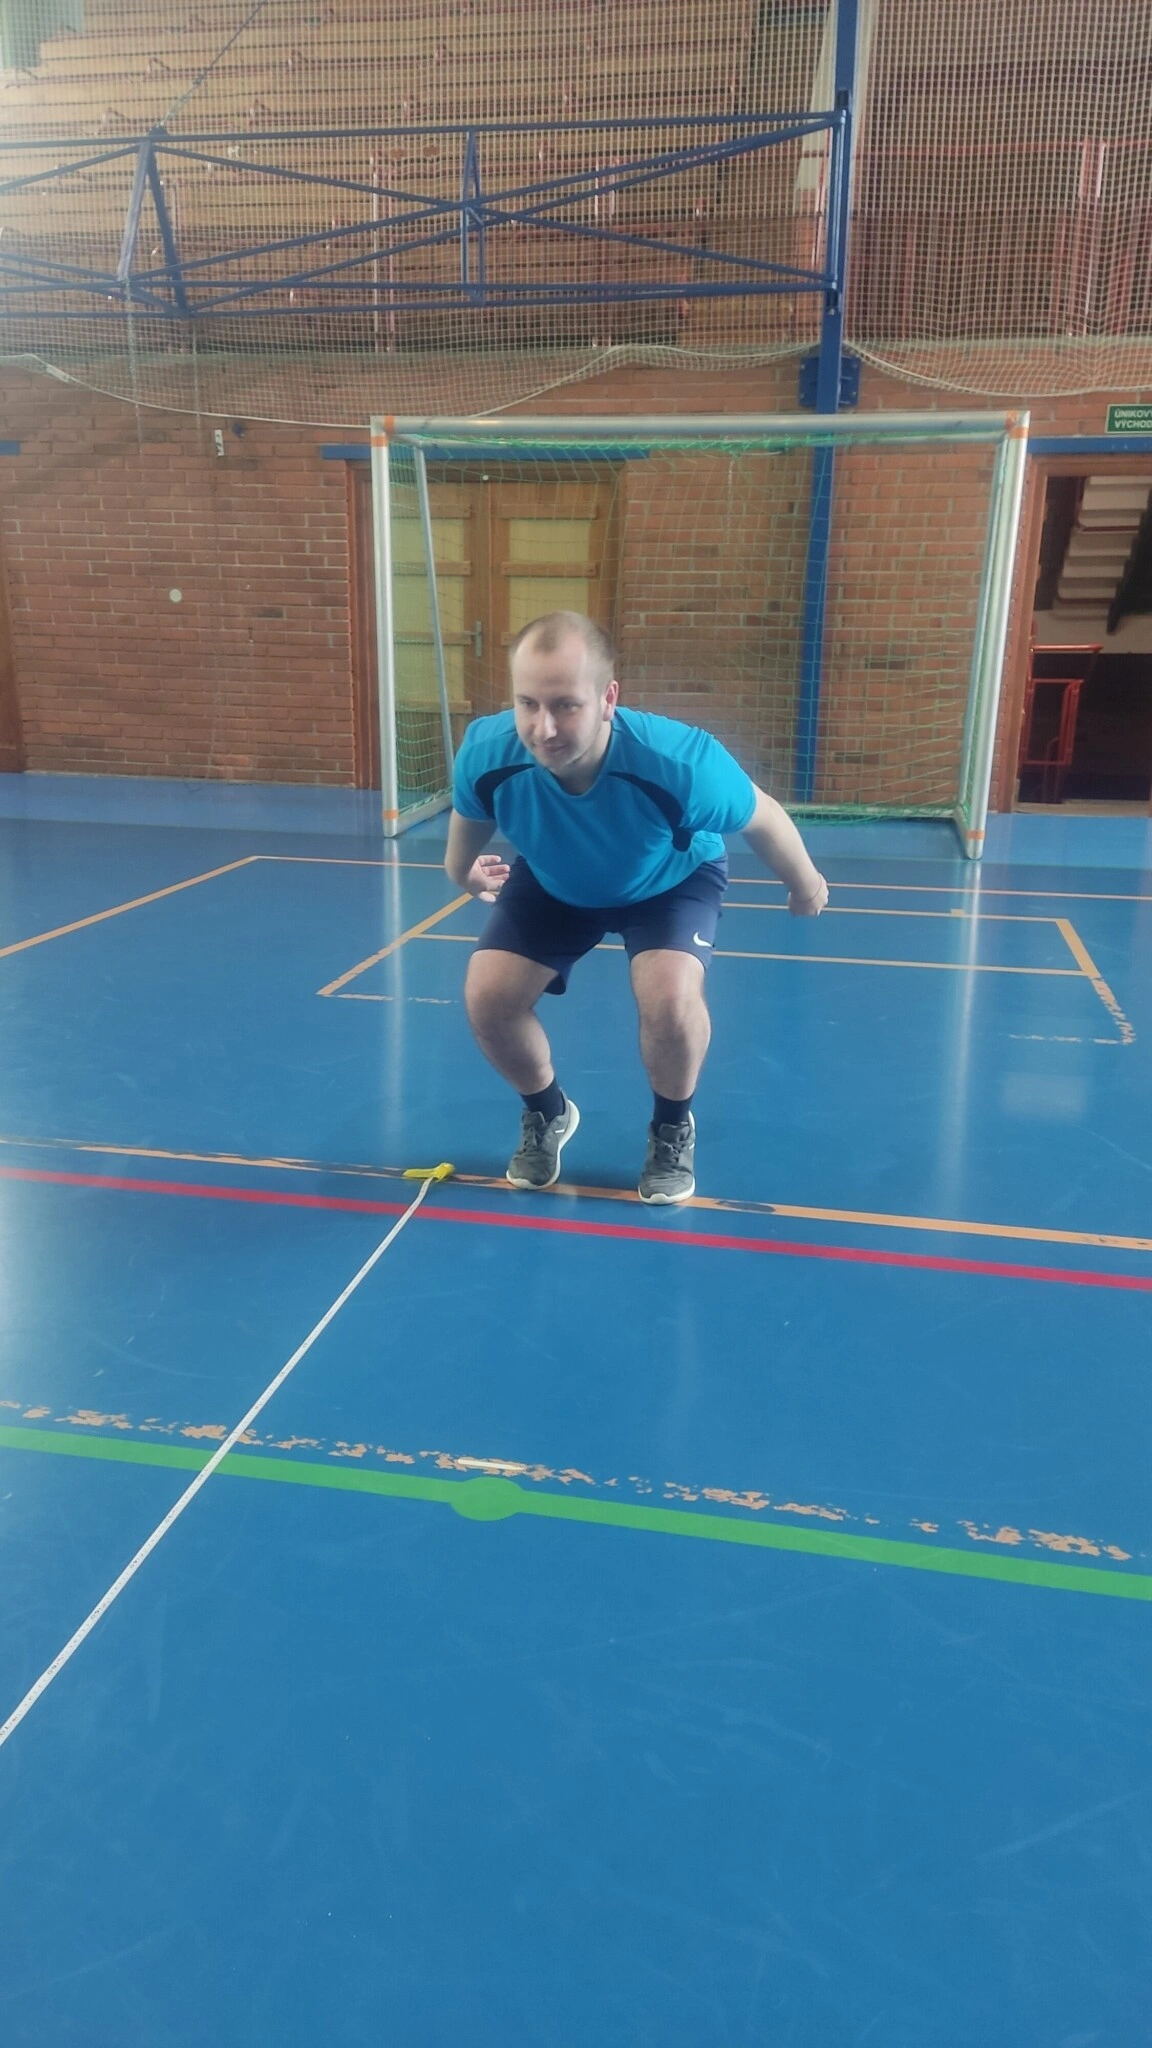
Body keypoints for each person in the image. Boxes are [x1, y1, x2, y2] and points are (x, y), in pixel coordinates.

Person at [445, 611, 828, 1204]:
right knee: (488, 998)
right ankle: (548, 1112)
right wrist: (461, 871)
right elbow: (470, 819)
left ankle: (672, 1127)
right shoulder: (488, 753)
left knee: (670, 1001)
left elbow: (764, 815)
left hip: (668, 880)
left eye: (566, 705)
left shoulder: (681, 765)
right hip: (554, 876)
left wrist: (805, 886)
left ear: (607, 699)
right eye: (527, 704)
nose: (544, 728)